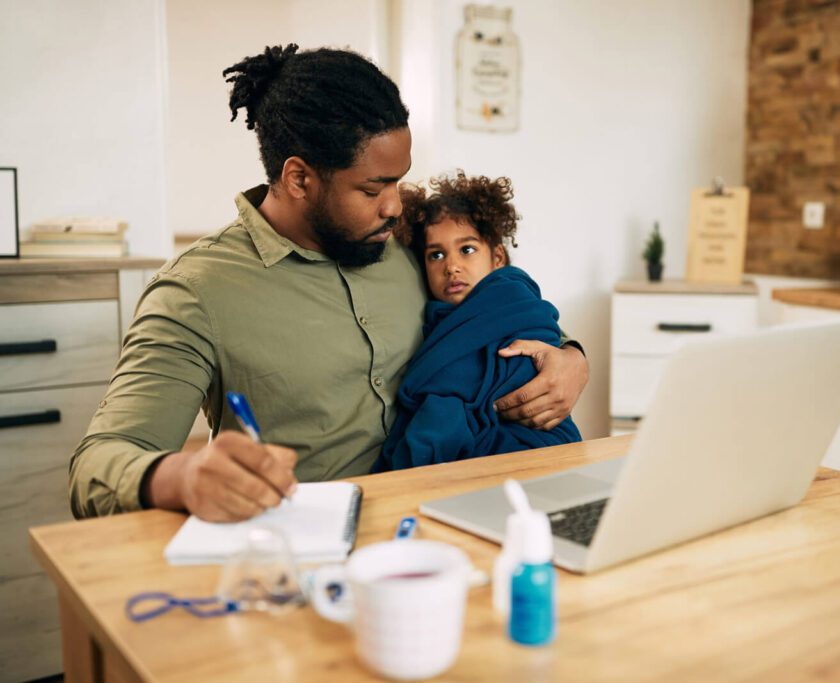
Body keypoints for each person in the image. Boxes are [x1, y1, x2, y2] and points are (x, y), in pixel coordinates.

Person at [68, 45, 588, 522]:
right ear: (299, 179)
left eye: (399, 181)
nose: (395, 205)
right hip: (310, 550)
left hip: (456, 514)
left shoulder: (406, 243)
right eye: (372, 188)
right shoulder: (195, 292)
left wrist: (570, 358)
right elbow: (96, 465)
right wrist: (182, 475)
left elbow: (492, 313)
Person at [373, 172, 582, 471]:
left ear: (497, 258)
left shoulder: (511, 296)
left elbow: (525, 354)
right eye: (436, 255)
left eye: (467, 250)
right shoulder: (435, 320)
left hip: (532, 445)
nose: (452, 266)